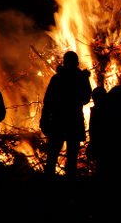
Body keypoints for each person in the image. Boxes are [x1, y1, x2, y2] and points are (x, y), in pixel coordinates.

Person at [41, 51, 92, 179]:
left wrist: (45, 119)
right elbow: (86, 98)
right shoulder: (81, 79)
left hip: (58, 121)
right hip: (73, 121)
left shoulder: (58, 79)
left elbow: (48, 101)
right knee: (72, 157)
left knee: (52, 155)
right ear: (76, 63)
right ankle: (70, 185)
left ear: (65, 62)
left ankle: (49, 182)